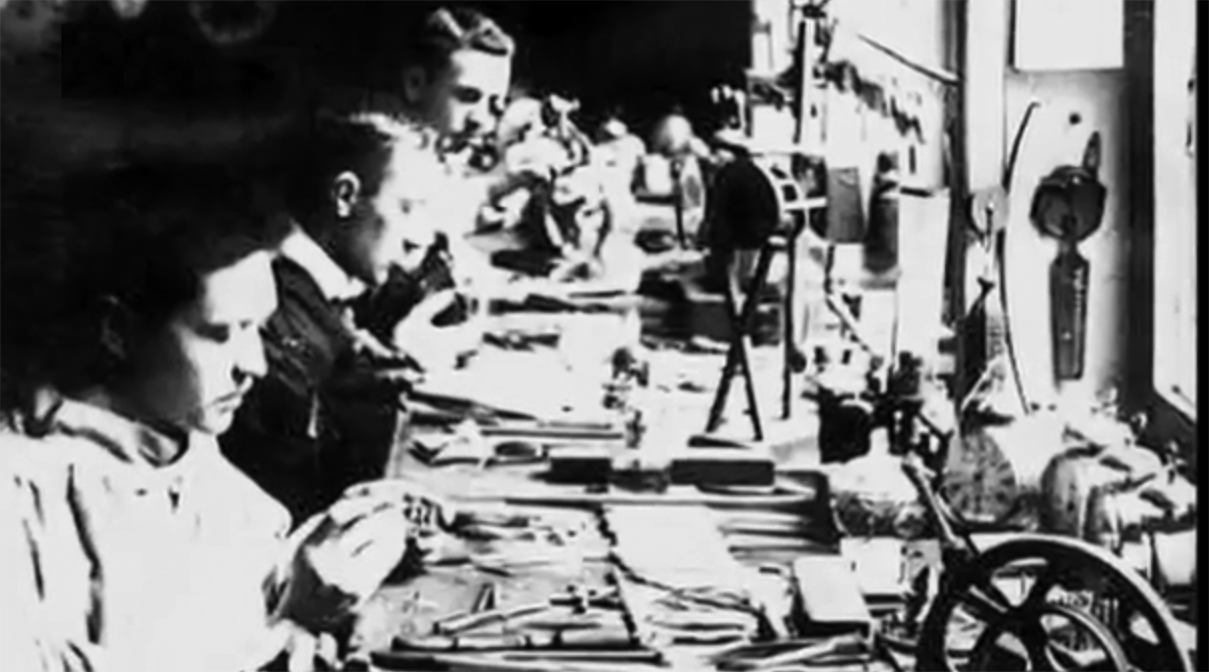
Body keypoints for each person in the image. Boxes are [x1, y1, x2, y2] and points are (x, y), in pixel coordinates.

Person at [0, 161, 442, 672]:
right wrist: (288, 624)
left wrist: (343, 543)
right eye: (221, 334)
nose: (254, 365)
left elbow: (204, 599)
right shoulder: (23, 494)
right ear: (117, 329)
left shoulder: (173, 438)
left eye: (257, 329)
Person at [220, 111, 451, 523]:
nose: (421, 235)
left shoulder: (320, 291)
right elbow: (296, 486)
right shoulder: (276, 307)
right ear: (344, 196)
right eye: (408, 207)